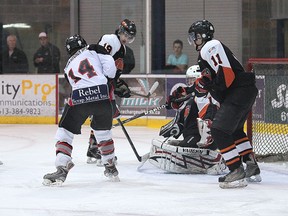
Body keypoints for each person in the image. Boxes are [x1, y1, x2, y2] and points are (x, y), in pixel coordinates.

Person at [188, 20, 261, 189]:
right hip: (245, 90)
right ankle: (251, 165)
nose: (193, 41)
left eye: (195, 37)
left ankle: (236, 170)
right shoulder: (209, 50)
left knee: (219, 130)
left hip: (239, 91)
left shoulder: (210, 46)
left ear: (202, 36)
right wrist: (192, 88)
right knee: (234, 130)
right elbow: (213, 77)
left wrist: (210, 87)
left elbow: (226, 76)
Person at [42, 34, 118, 186]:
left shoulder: (67, 66)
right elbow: (110, 66)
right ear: (83, 43)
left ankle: (62, 166)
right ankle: (110, 165)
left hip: (80, 98)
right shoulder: (93, 49)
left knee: (65, 131)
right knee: (103, 133)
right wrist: (109, 79)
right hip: (102, 97)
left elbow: (76, 82)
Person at [149, 65, 225, 174]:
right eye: (189, 80)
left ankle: (206, 162)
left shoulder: (207, 99)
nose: (190, 84)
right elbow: (183, 121)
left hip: (200, 139)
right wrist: (174, 127)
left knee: (183, 146)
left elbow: (211, 114)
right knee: (175, 144)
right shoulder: (191, 101)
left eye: (193, 80)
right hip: (191, 136)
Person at [86, 19, 137, 164]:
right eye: (127, 35)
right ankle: (100, 151)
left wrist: (118, 84)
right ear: (120, 31)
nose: (128, 39)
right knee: (104, 115)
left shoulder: (122, 48)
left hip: (105, 84)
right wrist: (110, 82)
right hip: (99, 83)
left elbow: (114, 71)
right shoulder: (110, 39)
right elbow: (99, 60)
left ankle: (93, 149)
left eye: (130, 36)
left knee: (102, 115)